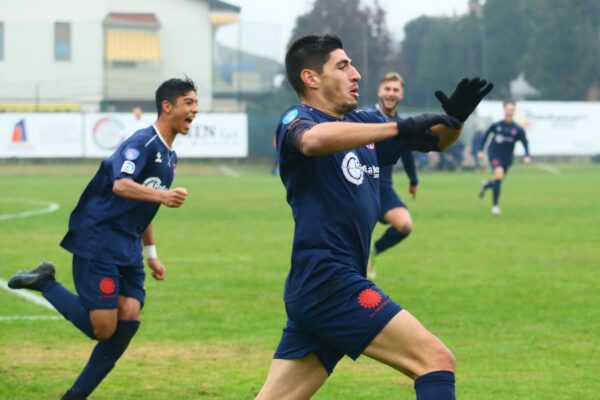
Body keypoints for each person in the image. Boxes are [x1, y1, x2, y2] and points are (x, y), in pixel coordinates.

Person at [256, 34, 493, 399]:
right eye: (342, 66)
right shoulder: (296, 118)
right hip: (329, 281)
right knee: (435, 360)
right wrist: (399, 126)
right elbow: (313, 141)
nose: (356, 74)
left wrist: (457, 119)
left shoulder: (366, 123)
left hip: (321, 286)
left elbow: (438, 140)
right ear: (311, 78)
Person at [7, 77, 198, 399]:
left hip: (127, 245)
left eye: (196, 103)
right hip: (99, 239)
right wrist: (163, 196)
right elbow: (120, 185)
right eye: (189, 103)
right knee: (104, 329)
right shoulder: (143, 143)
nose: (195, 110)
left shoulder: (170, 156)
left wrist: (151, 254)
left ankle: (75, 396)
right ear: (168, 106)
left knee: (129, 316)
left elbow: (145, 203)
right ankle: (46, 283)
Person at [363, 72, 418, 278]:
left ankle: (373, 252)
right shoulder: (364, 117)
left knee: (405, 225)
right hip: (360, 187)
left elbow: (406, 152)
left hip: (383, 189)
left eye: (395, 90)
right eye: (387, 89)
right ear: (379, 91)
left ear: (401, 95)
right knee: (355, 237)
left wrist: (413, 180)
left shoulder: (402, 125)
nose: (391, 93)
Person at [478, 100, 531, 215]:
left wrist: (527, 155)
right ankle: (495, 206)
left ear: (514, 111)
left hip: (507, 158)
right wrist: (481, 150)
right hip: (494, 154)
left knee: (498, 180)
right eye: (507, 109)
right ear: (504, 110)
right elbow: (486, 136)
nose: (509, 112)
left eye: (511, 110)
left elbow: (525, 142)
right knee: (499, 174)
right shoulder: (496, 126)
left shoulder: (518, 129)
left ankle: (486, 185)